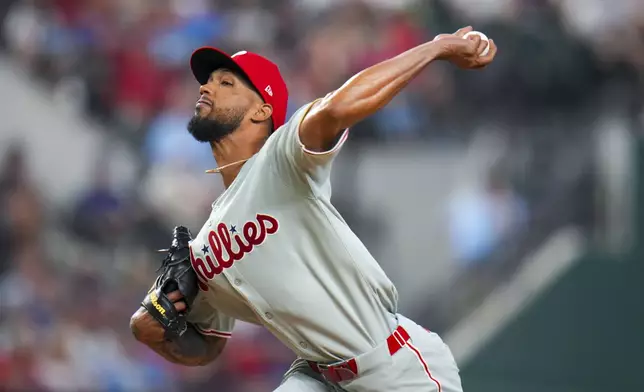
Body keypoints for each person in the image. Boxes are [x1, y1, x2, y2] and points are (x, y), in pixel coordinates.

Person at [130, 26, 497, 391]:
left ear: (262, 110)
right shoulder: (204, 248)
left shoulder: (281, 159)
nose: (206, 88)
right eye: (207, 82)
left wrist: (436, 48)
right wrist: (156, 328)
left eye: (226, 83)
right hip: (318, 377)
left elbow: (338, 107)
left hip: (394, 369)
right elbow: (207, 347)